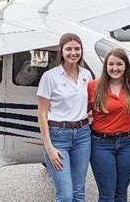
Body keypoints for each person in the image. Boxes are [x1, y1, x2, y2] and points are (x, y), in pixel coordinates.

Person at [37, 33, 92, 201]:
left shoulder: (86, 75)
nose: (73, 53)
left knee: (79, 192)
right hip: (58, 136)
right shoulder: (50, 77)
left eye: (77, 49)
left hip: (82, 135)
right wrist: (49, 148)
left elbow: (88, 104)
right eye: (69, 49)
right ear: (61, 51)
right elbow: (42, 113)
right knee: (66, 196)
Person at [88, 48, 130, 202]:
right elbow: (79, 111)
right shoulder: (94, 86)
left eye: (119, 64)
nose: (115, 68)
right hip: (101, 144)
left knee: (121, 192)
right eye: (111, 64)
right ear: (105, 66)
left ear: (126, 66)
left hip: (127, 142)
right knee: (107, 194)